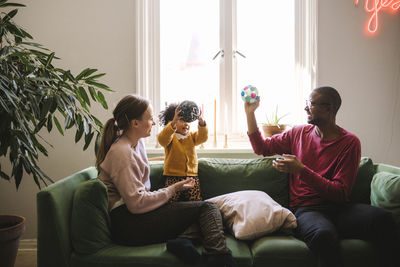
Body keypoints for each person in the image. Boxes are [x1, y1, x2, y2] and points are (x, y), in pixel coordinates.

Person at [244, 86, 400, 267]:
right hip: (306, 210)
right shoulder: (298, 133)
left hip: (340, 209)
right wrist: (250, 113)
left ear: (329, 108)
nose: (306, 108)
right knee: (323, 235)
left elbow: (340, 193)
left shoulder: (350, 143)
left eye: (310, 104)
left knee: (383, 219)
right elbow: (261, 148)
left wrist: (301, 170)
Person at [96, 95, 236, 267]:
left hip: (137, 217)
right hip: (128, 225)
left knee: (205, 218)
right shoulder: (121, 152)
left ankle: (182, 242)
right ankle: (221, 260)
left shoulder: (135, 144)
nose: (153, 123)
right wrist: (173, 189)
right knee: (208, 208)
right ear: (135, 123)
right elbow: (136, 203)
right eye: (150, 119)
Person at [158, 103, 207, 201]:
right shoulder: (170, 137)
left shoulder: (191, 136)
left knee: (195, 201)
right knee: (171, 201)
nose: (186, 124)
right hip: (173, 177)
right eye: (181, 120)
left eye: (188, 121)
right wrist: (173, 124)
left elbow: (202, 138)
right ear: (170, 122)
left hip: (192, 177)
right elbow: (162, 140)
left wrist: (201, 123)